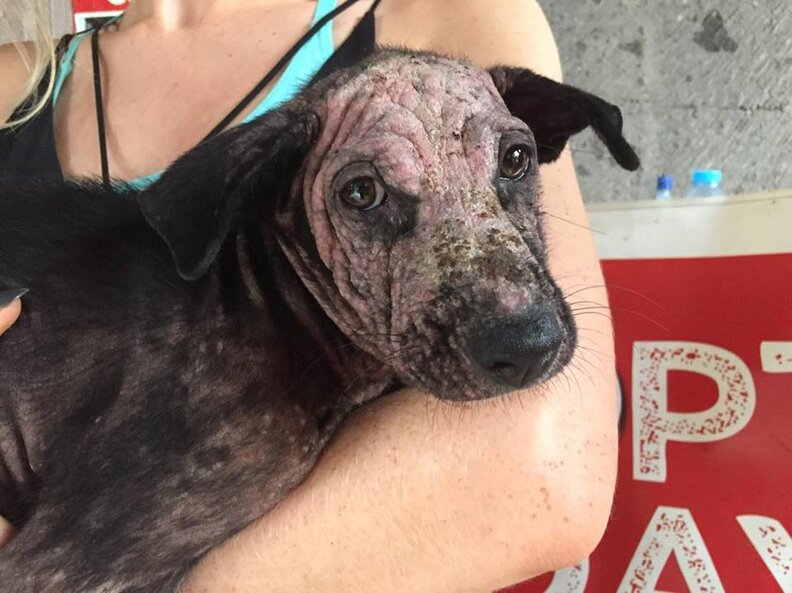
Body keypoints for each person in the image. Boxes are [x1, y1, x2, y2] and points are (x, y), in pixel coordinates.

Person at [0, 1, 620, 591]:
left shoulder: (439, 16)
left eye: (514, 158)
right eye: (363, 195)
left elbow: (550, 478)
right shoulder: (14, 79)